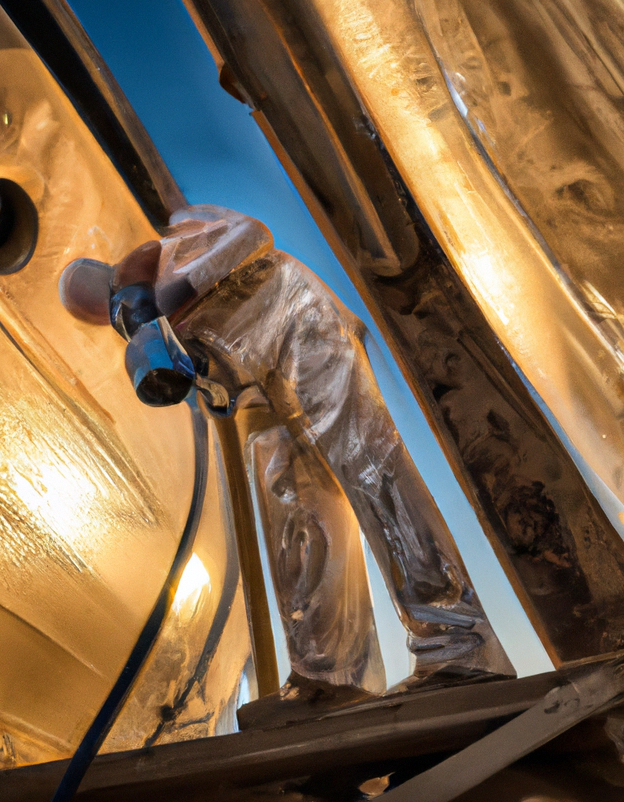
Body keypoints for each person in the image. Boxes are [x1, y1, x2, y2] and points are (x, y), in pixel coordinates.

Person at [61, 204, 514, 705]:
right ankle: (329, 676)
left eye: (113, 306)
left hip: (301, 323)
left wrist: (154, 300)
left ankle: (457, 646)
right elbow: (214, 375)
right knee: (297, 520)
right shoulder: (168, 330)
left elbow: (253, 231)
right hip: (259, 384)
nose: (119, 322)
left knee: (369, 469)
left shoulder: (174, 254)